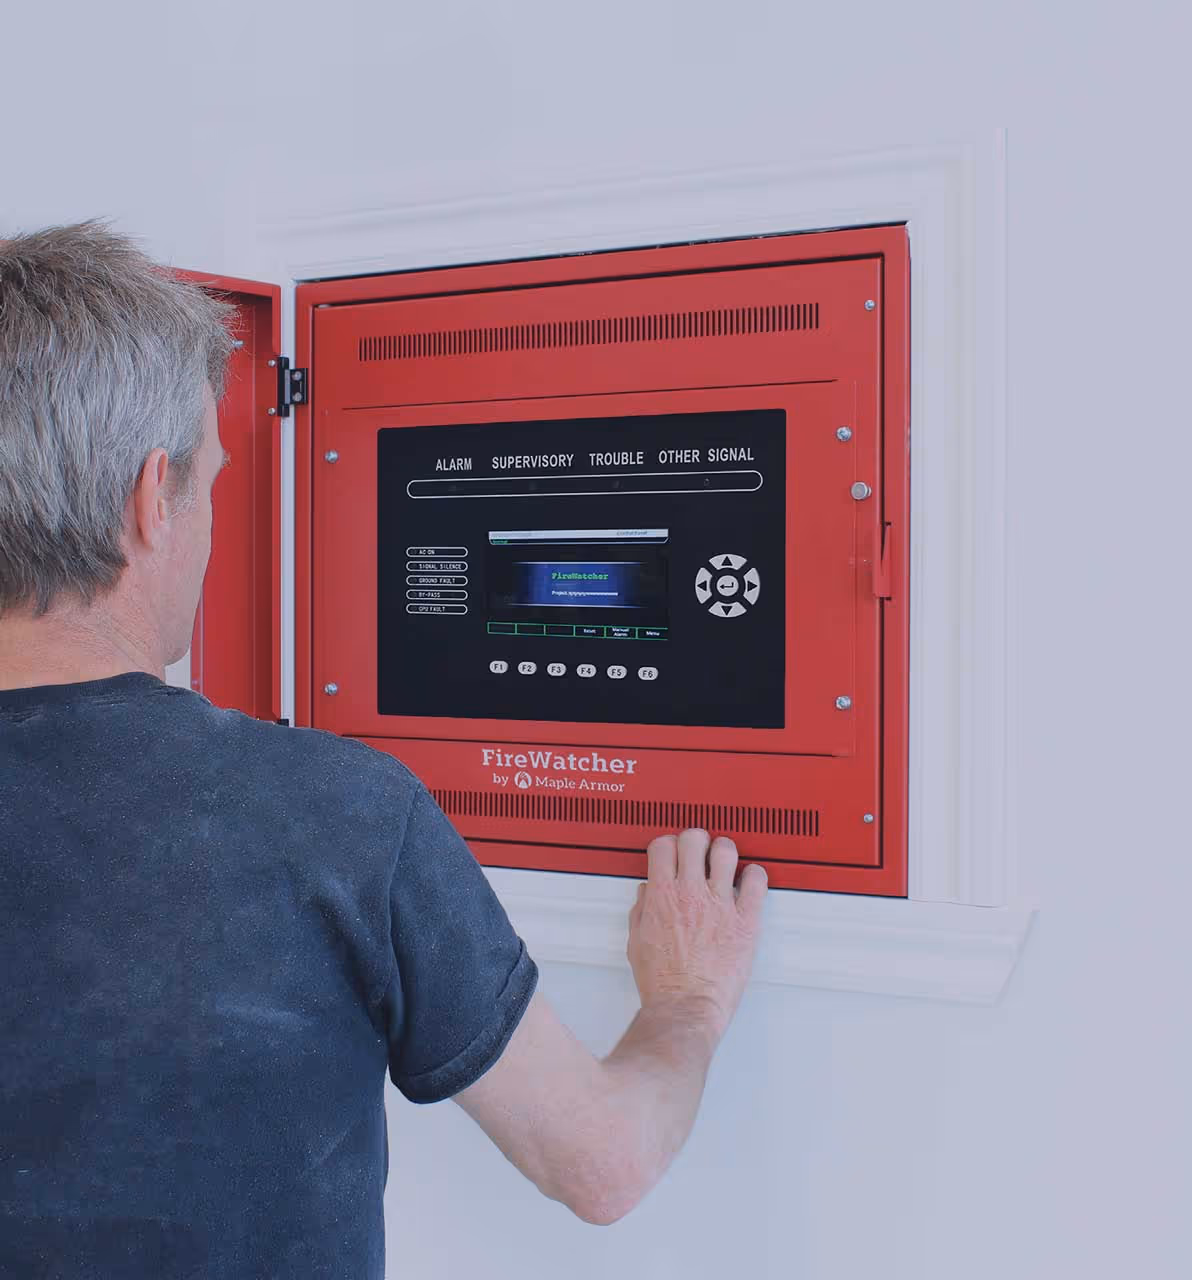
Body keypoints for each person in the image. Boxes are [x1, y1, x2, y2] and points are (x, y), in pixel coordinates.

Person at [0, 222, 767, 1276]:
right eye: (209, 485)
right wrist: (690, 997)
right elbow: (602, 1159)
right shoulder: (337, 813)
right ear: (149, 501)